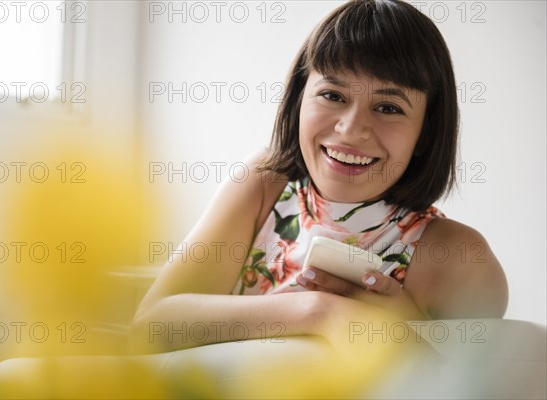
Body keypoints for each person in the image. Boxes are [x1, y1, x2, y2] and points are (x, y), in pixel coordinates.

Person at [130, 0, 508, 354]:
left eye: (388, 107)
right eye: (333, 95)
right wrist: (316, 311)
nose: (351, 129)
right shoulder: (265, 183)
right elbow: (149, 328)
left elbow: (471, 388)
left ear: (426, 131)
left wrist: (404, 331)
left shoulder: (459, 258)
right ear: (299, 99)